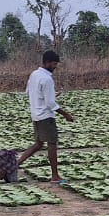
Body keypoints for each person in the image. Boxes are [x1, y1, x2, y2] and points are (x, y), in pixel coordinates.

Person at [17, 50, 75, 184]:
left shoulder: (34, 74)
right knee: (52, 143)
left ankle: (15, 164)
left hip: (35, 114)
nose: (55, 66)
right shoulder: (47, 79)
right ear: (47, 62)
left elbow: (28, 92)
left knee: (38, 144)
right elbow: (50, 103)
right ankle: (55, 176)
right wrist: (65, 114)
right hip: (46, 116)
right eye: (54, 64)